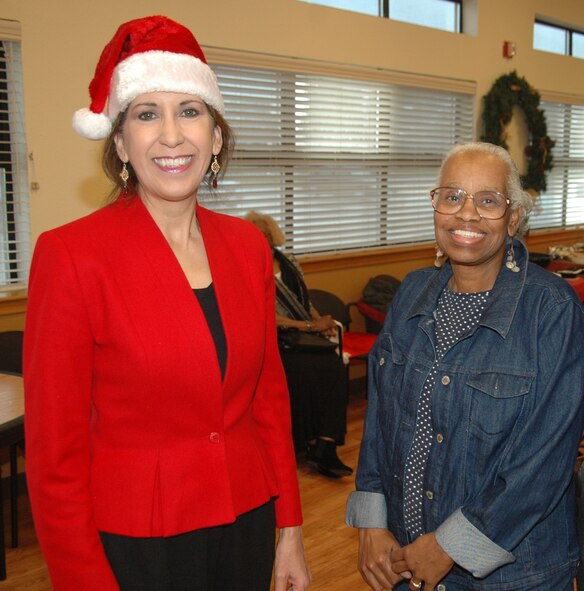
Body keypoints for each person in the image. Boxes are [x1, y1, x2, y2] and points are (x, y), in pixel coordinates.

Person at [23, 16, 310, 591]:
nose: (172, 135)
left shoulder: (247, 246)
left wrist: (291, 530)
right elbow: (55, 457)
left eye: (190, 110)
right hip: (137, 543)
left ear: (217, 136)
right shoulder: (71, 256)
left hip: (246, 520)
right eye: (147, 114)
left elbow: (268, 402)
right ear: (122, 142)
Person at [346, 142, 584, 591]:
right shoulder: (411, 293)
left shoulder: (551, 311)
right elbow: (379, 420)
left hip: (513, 576)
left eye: (488, 200)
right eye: (452, 196)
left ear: (514, 218)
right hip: (405, 558)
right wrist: (372, 522)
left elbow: (545, 461)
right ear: (436, 206)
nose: (466, 214)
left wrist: (450, 547)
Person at [246, 211, 352, 479]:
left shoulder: (289, 261)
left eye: (268, 233)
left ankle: (325, 444)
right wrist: (307, 327)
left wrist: (319, 320)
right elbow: (261, 315)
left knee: (334, 367)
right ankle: (309, 443)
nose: (265, 238)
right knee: (302, 370)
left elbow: (304, 301)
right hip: (273, 340)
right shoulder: (246, 263)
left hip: (303, 334)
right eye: (258, 233)